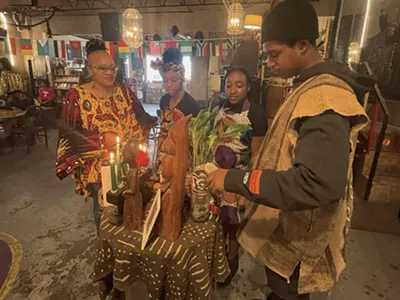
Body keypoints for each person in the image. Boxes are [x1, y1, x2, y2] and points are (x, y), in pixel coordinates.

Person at [206, 1, 372, 299]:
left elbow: (317, 184)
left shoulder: (325, 98)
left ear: (304, 45)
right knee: (279, 288)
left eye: (275, 54)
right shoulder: (308, 85)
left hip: (302, 235)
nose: (269, 63)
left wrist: (235, 180)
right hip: (289, 221)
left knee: (288, 290)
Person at [56, 38, 154, 233]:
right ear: (89, 69)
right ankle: (107, 249)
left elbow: (142, 117)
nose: (110, 73)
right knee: (106, 213)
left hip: (131, 164)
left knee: (135, 203)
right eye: (103, 68)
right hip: (101, 171)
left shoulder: (124, 91)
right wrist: (101, 140)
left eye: (112, 67)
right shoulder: (76, 97)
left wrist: (157, 124)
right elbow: (68, 138)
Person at [212, 67, 267, 286]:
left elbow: (256, 155)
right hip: (214, 173)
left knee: (233, 224)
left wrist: (247, 190)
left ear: (248, 87)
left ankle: (230, 260)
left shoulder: (255, 113)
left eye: (239, 85)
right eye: (229, 85)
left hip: (238, 178)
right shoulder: (218, 108)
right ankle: (215, 258)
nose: (233, 90)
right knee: (215, 220)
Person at [154, 47, 200, 125]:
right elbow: (162, 125)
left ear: (182, 79)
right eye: (165, 80)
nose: (169, 84)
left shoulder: (191, 105)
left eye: (174, 80)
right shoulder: (164, 100)